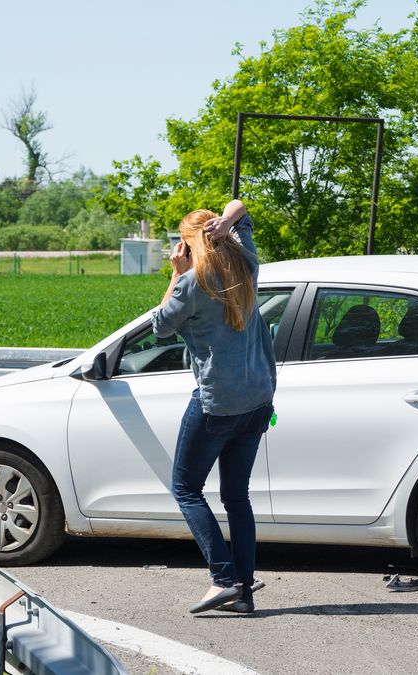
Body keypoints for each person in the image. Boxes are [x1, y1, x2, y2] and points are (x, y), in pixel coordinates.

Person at [152, 199, 276, 614]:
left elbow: (159, 328)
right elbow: (242, 208)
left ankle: (223, 579)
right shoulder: (247, 265)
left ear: (187, 245)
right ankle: (243, 592)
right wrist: (227, 223)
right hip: (258, 400)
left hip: (217, 403)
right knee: (236, 497)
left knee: (186, 489)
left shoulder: (192, 284)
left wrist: (175, 273)